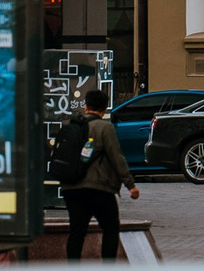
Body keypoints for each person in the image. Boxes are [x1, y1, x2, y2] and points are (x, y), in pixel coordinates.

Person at [50, 87, 138, 261]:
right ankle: (107, 270)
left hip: (71, 188)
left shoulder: (71, 126)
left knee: (77, 231)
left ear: (85, 106)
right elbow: (116, 157)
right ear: (104, 108)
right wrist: (130, 185)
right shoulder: (105, 128)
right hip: (98, 188)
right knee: (111, 228)